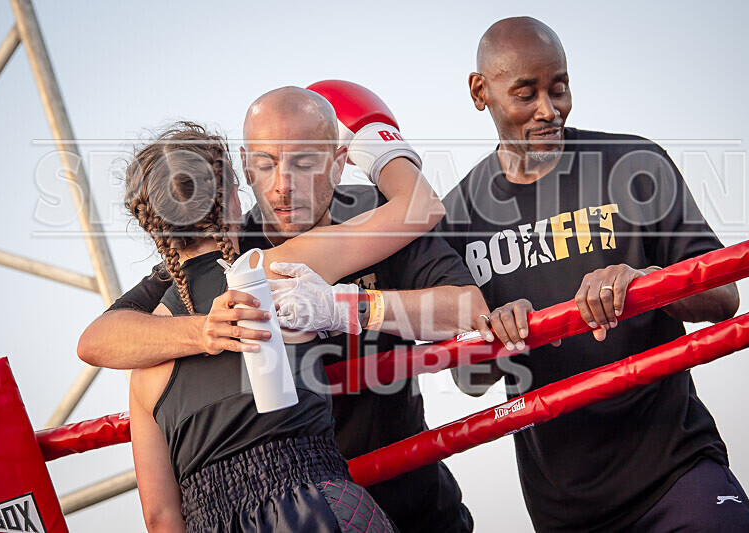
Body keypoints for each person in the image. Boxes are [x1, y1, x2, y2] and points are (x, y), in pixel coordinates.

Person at [79, 83, 487, 532]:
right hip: (331, 498)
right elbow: (99, 338)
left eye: (304, 163)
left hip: (412, 495)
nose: (282, 186)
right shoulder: (239, 255)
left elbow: (468, 309)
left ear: (337, 163)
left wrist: (350, 306)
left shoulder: (368, 213)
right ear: (242, 176)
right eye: (265, 164)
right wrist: (206, 329)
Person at [439, 17, 749, 533]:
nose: (549, 110)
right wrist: (497, 333)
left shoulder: (634, 164)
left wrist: (649, 283)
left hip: (676, 469)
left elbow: (725, 296)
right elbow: (468, 379)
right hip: (564, 507)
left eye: (559, 88)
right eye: (526, 93)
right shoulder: (455, 217)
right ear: (480, 92)